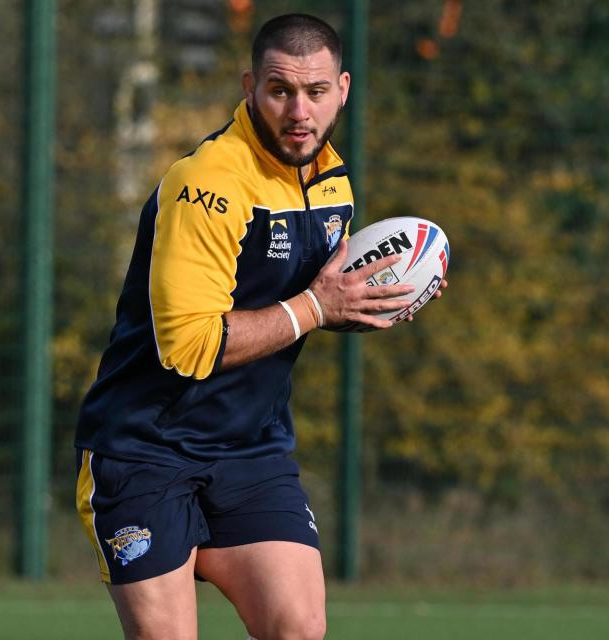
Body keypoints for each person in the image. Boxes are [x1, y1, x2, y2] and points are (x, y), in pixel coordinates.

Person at [75, 13, 446, 640]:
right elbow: (190, 348)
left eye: (316, 92)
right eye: (280, 90)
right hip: (144, 448)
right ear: (250, 87)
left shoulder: (332, 184)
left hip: (251, 450)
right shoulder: (207, 186)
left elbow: (306, 299)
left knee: (299, 627)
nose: (299, 111)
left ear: (344, 90)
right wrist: (319, 308)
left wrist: (359, 301)